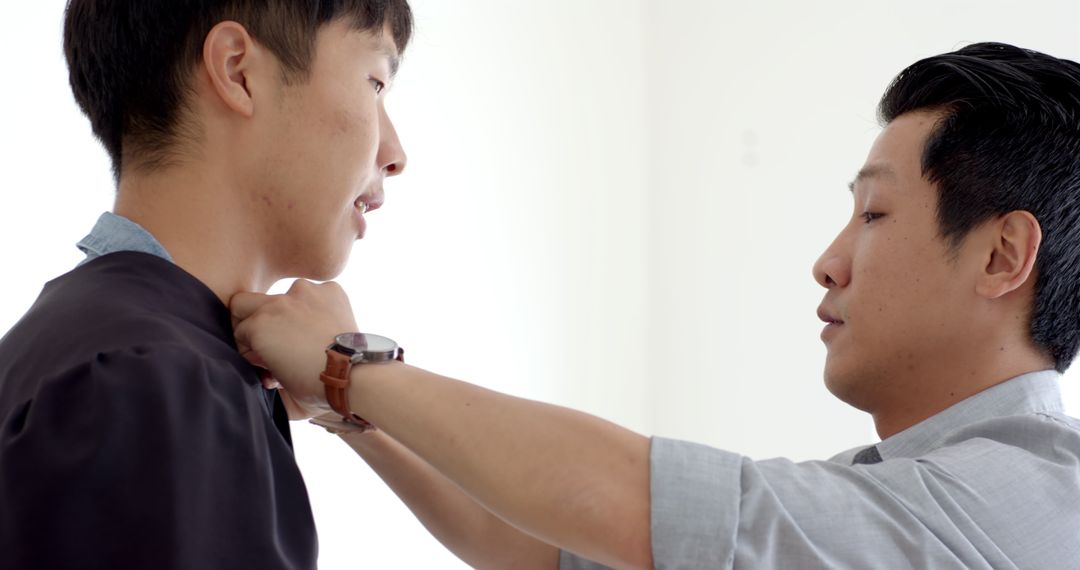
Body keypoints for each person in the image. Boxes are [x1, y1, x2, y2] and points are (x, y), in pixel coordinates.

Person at [232, 42, 1080, 569]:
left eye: (874, 214)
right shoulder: (909, 501)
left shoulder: (1037, 502)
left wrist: (353, 364)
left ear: (1003, 255)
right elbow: (541, 547)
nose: (828, 264)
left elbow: (633, 503)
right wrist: (350, 411)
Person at [0, 0, 412, 567]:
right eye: (375, 83)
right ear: (238, 70)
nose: (396, 155)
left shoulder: (86, 347)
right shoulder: (157, 380)